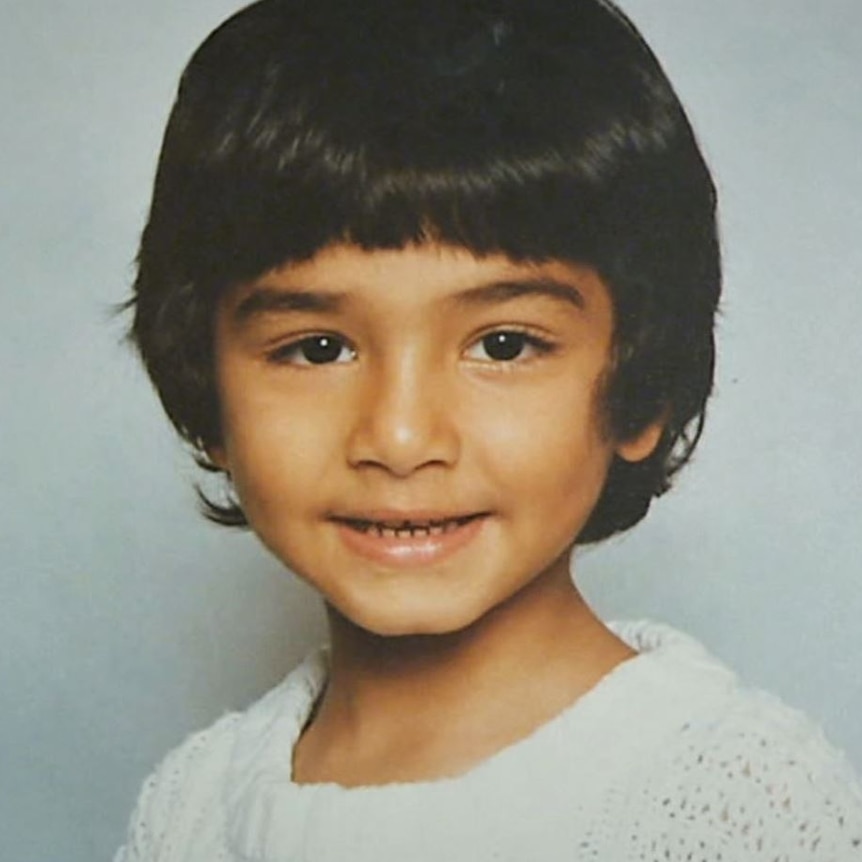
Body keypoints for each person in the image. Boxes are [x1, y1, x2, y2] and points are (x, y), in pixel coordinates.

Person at [116, 0, 862, 858]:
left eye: (503, 345)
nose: (399, 439)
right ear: (207, 393)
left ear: (642, 388)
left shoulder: (736, 807)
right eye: (318, 349)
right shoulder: (193, 807)